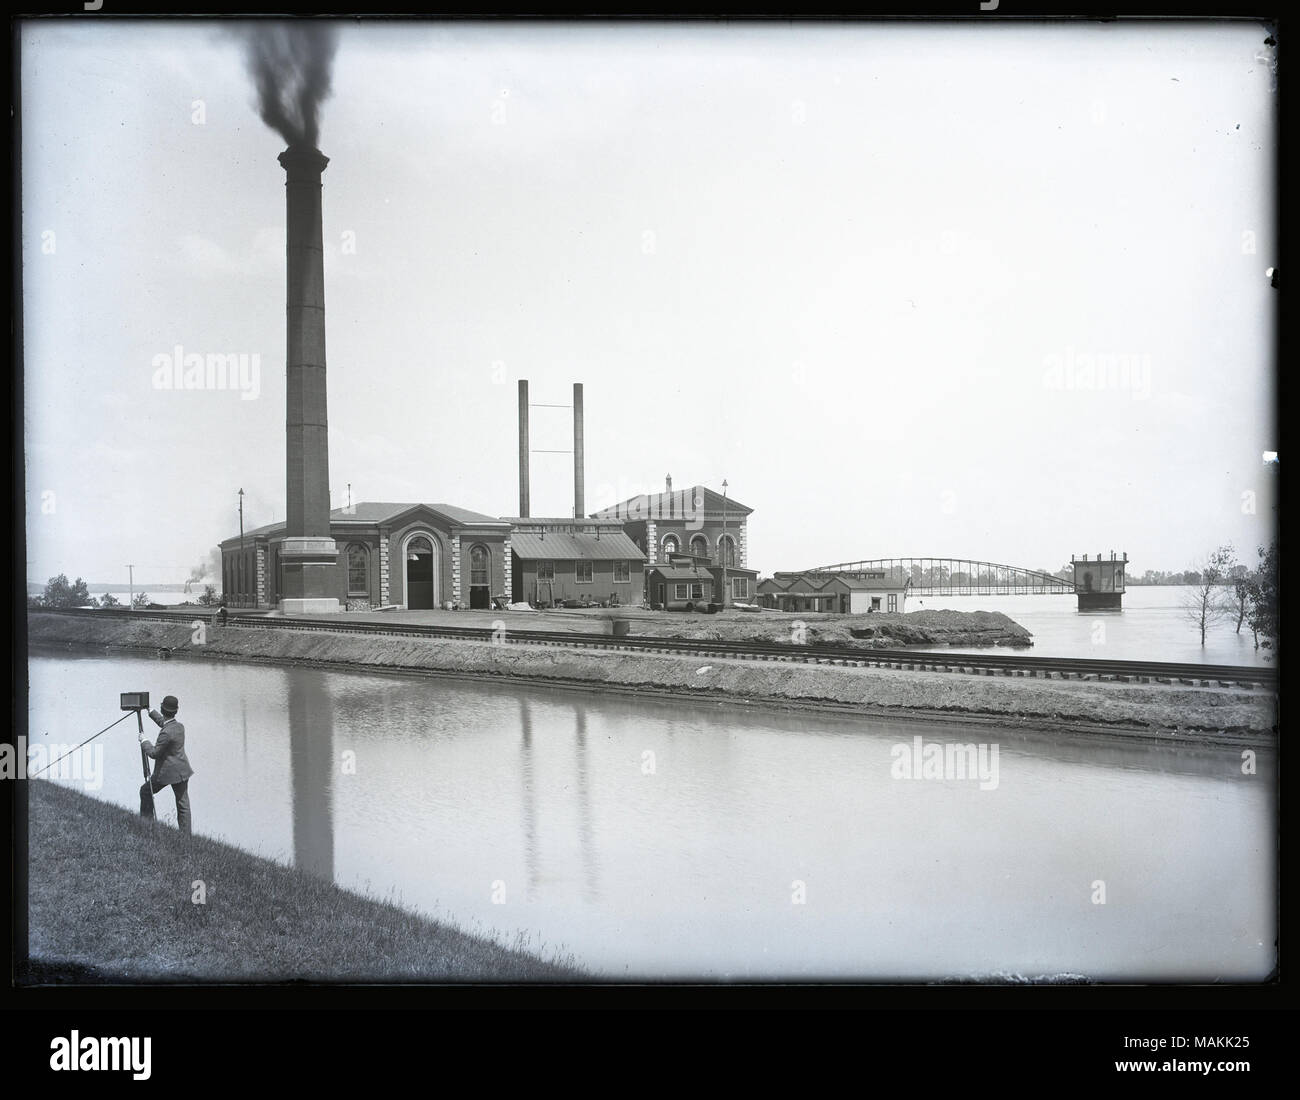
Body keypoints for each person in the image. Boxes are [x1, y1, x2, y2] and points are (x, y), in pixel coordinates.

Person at [140, 695, 194, 835]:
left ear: (162, 708)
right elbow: (164, 723)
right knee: (183, 805)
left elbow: (154, 753)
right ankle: (186, 837)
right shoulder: (179, 727)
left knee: (146, 791)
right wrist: (150, 710)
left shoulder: (166, 733)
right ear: (176, 711)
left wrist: (144, 741)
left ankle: (146, 824)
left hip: (167, 773)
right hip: (182, 771)